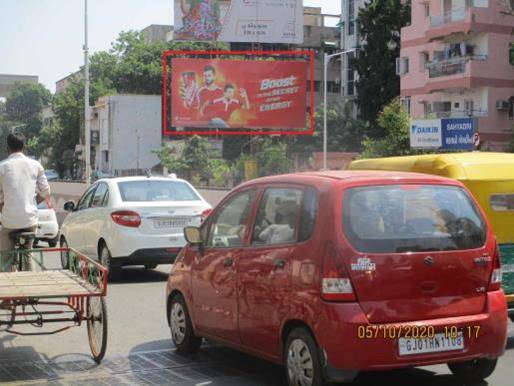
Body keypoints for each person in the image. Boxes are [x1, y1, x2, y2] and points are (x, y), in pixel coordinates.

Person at [0, 133, 51, 271]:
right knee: (27, 253)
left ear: (8, 148)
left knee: (4, 256)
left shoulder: (2, 167)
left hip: (9, 221)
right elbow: (46, 192)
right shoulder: (36, 165)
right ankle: (29, 282)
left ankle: (5, 281)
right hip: (30, 221)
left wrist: (3, 207)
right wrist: (34, 201)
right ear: (24, 147)